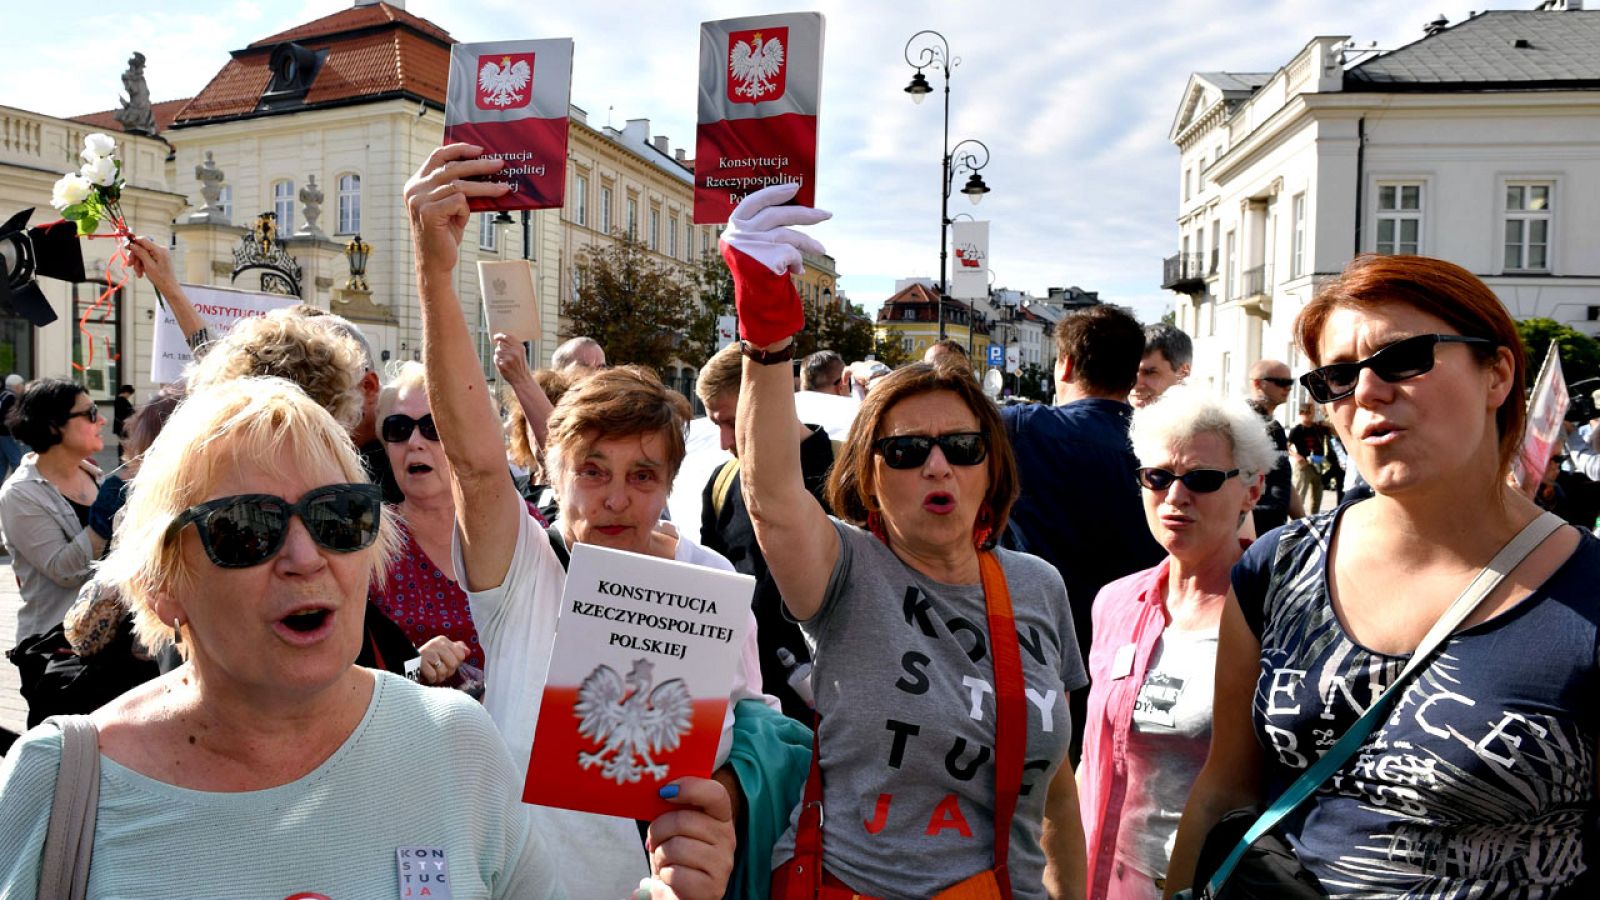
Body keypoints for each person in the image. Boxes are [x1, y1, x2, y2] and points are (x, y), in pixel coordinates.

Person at [0, 377, 560, 896]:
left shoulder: (456, 742)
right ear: (162, 584)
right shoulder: (60, 783)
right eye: (247, 527)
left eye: (338, 517)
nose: (305, 557)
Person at [1165, 254, 1600, 897]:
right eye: (1338, 376)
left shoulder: (1585, 594)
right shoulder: (1277, 568)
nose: (1366, 391)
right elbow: (1224, 790)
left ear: (1498, 374)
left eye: (1404, 358)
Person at [407, 143, 772, 900]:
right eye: (592, 472)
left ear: (669, 483)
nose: (614, 498)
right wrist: (435, 274)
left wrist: (724, 811)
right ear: (553, 472)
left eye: (642, 476)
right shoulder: (526, 572)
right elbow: (474, 461)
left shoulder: (708, 580)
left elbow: (750, 735)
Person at [728, 184, 1088, 898]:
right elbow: (770, 495)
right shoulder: (847, 573)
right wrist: (766, 338)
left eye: (961, 445)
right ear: (868, 475)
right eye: (905, 451)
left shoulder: (1037, 585)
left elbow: (1057, 792)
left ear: (992, 466)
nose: (936, 465)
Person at [1077, 386, 1272, 899]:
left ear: (1252, 490)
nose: (1175, 497)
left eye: (1202, 480)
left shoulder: (1273, 612)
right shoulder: (1117, 602)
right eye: (1158, 478)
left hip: (1218, 886)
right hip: (1108, 880)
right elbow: (1092, 761)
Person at [1002, 304, 1165, 762]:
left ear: (1066, 365)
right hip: (1134, 646)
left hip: (1038, 645)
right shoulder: (1159, 443)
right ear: (1133, 375)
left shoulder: (1023, 427)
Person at [699, 342, 834, 720]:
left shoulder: (846, 478)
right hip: (750, 707)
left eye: (729, 422)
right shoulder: (723, 482)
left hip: (832, 711)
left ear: (767, 401)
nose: (725, 442)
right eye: (716, 425)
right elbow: (714, 590)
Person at [0, 379, 107, 724]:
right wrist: (105, 520)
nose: (101, 419)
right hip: (55, 648)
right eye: (90, 413)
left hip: (105, 640)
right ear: (52, 426)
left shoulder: (94, 475)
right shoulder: (20, 494)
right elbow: (63, 570)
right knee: (66, 762)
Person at [1244, 358, 1299, 532]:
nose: (1288, 388)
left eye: (1290, 382)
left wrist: (1304, 523)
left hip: (1274, 529)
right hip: (1252, 530)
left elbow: (1282, 477)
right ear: (1257, 384)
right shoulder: (1241, 422)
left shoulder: (1275, 427)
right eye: (1281, 382)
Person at [1130, 323, 1192, 409]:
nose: (1135, 384)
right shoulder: (1110, 418)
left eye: (1149, 372)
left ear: (1183, 373)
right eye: (1129, 371)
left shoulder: (1209, 421)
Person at [1286, 404, 1328, 515]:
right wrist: (1297, 456)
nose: (1308, 416)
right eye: (1305, 413)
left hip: (1318, 465)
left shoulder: (1318, 428)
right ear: (1301, 414)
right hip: (1304, 466)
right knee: (1300, 495)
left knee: (1317, 496)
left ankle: (1314, 519)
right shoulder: (1297, 430)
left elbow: (1334, 432)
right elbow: (1286, 446)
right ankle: (1298, 522)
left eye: (1310, 412)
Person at [0, 374, 24, 488]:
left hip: (1, 434)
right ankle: (19, 487)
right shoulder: (11, 398)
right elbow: (10, 417)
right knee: (16, 461)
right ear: (17, 386)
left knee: (2, 464)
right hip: (6, 433)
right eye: (21, 385)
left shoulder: (2, 395)